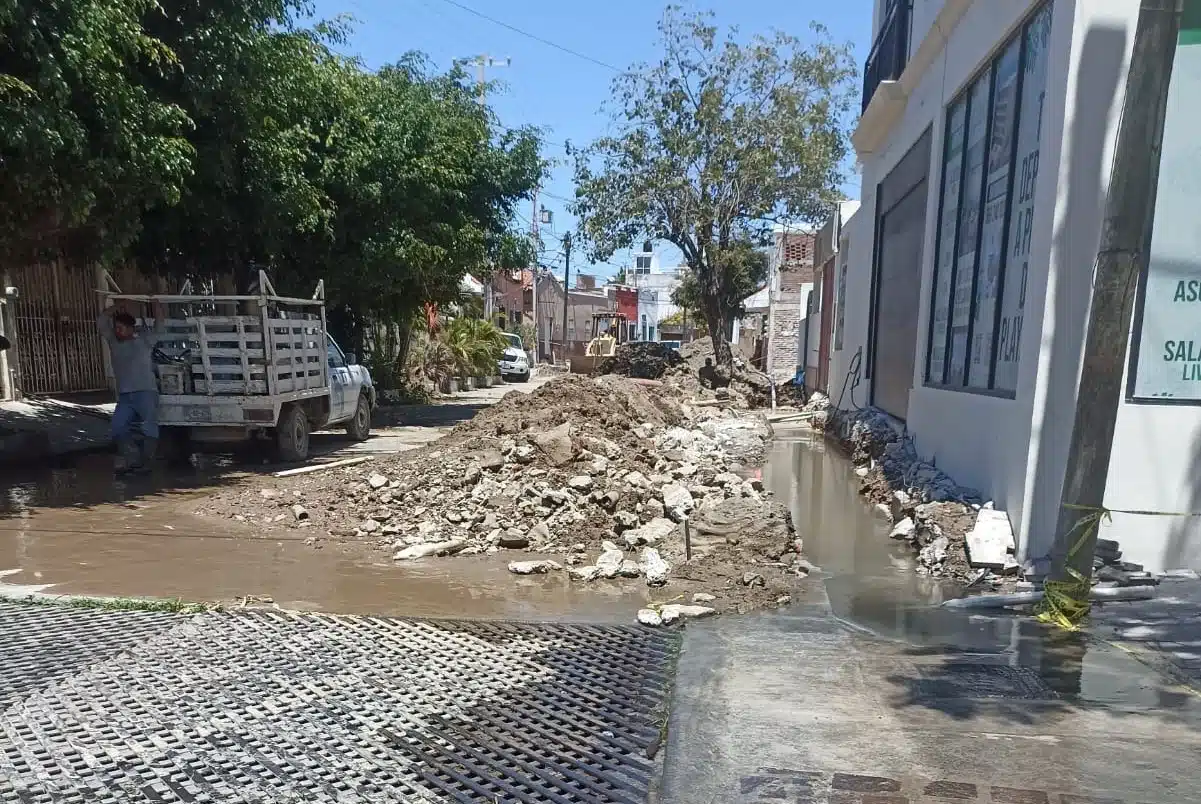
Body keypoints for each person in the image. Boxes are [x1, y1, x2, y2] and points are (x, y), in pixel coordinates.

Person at [98, 302, 165, 473]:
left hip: (146, 392)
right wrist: (118, 306)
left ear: (130, 329)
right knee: (118, 427)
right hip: (125, 396)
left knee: (149, 426)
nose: (118, 331)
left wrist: (156, 306)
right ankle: (133, 457)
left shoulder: (143, 342)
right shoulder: (113, 342)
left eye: (121, 327)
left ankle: (147, 462)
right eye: (116, 327)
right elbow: (101, 321)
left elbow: (159, 327)